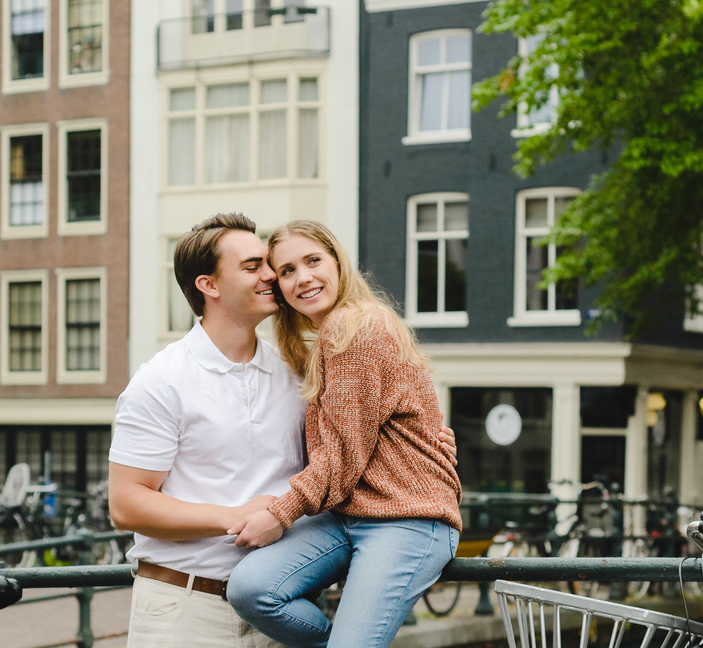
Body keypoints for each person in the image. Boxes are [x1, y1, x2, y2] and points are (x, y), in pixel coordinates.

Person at [108, 213, 456, 647]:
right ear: (209, 285)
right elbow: (125, 505)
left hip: (279, 607)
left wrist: (422, 442)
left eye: (275, 265)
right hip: (184, 607)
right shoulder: (161, 380)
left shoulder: (294, 372)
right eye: (256, 266)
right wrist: (234, 518)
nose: (273, 276)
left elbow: (347, 445)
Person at [225, 219, 463, 648]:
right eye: (288, 271)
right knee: (251, 589)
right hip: (346, 515)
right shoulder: (321, 341)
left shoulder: (356, 326)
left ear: (337, 261)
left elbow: (342, 454)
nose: (304, 278)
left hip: (408, 518)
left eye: (313, 260)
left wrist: (279, 514)